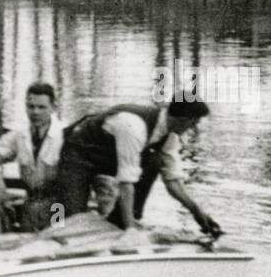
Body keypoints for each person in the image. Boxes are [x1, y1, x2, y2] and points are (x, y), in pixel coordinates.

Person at [56, 98, 222, 234]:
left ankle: (122, 220)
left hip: (108, 157)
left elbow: (173, 181)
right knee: (72, 224)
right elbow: (126, 183)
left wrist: (197, 212)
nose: (193, 129)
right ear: (184, 120)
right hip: (78, 155)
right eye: (194, 124)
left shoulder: (170, 134)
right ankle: (128, 225)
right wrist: (131, 232)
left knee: (154, 161)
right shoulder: (134, 127)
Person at [0, 81, 64, 232]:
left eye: (41, 107)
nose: (35, 112)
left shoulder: (65, 135)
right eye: (31, 106)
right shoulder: (20, 135)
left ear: (53, 107)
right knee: (28, 246)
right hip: (31, 203)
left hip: (58, 205)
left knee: (57, 241)